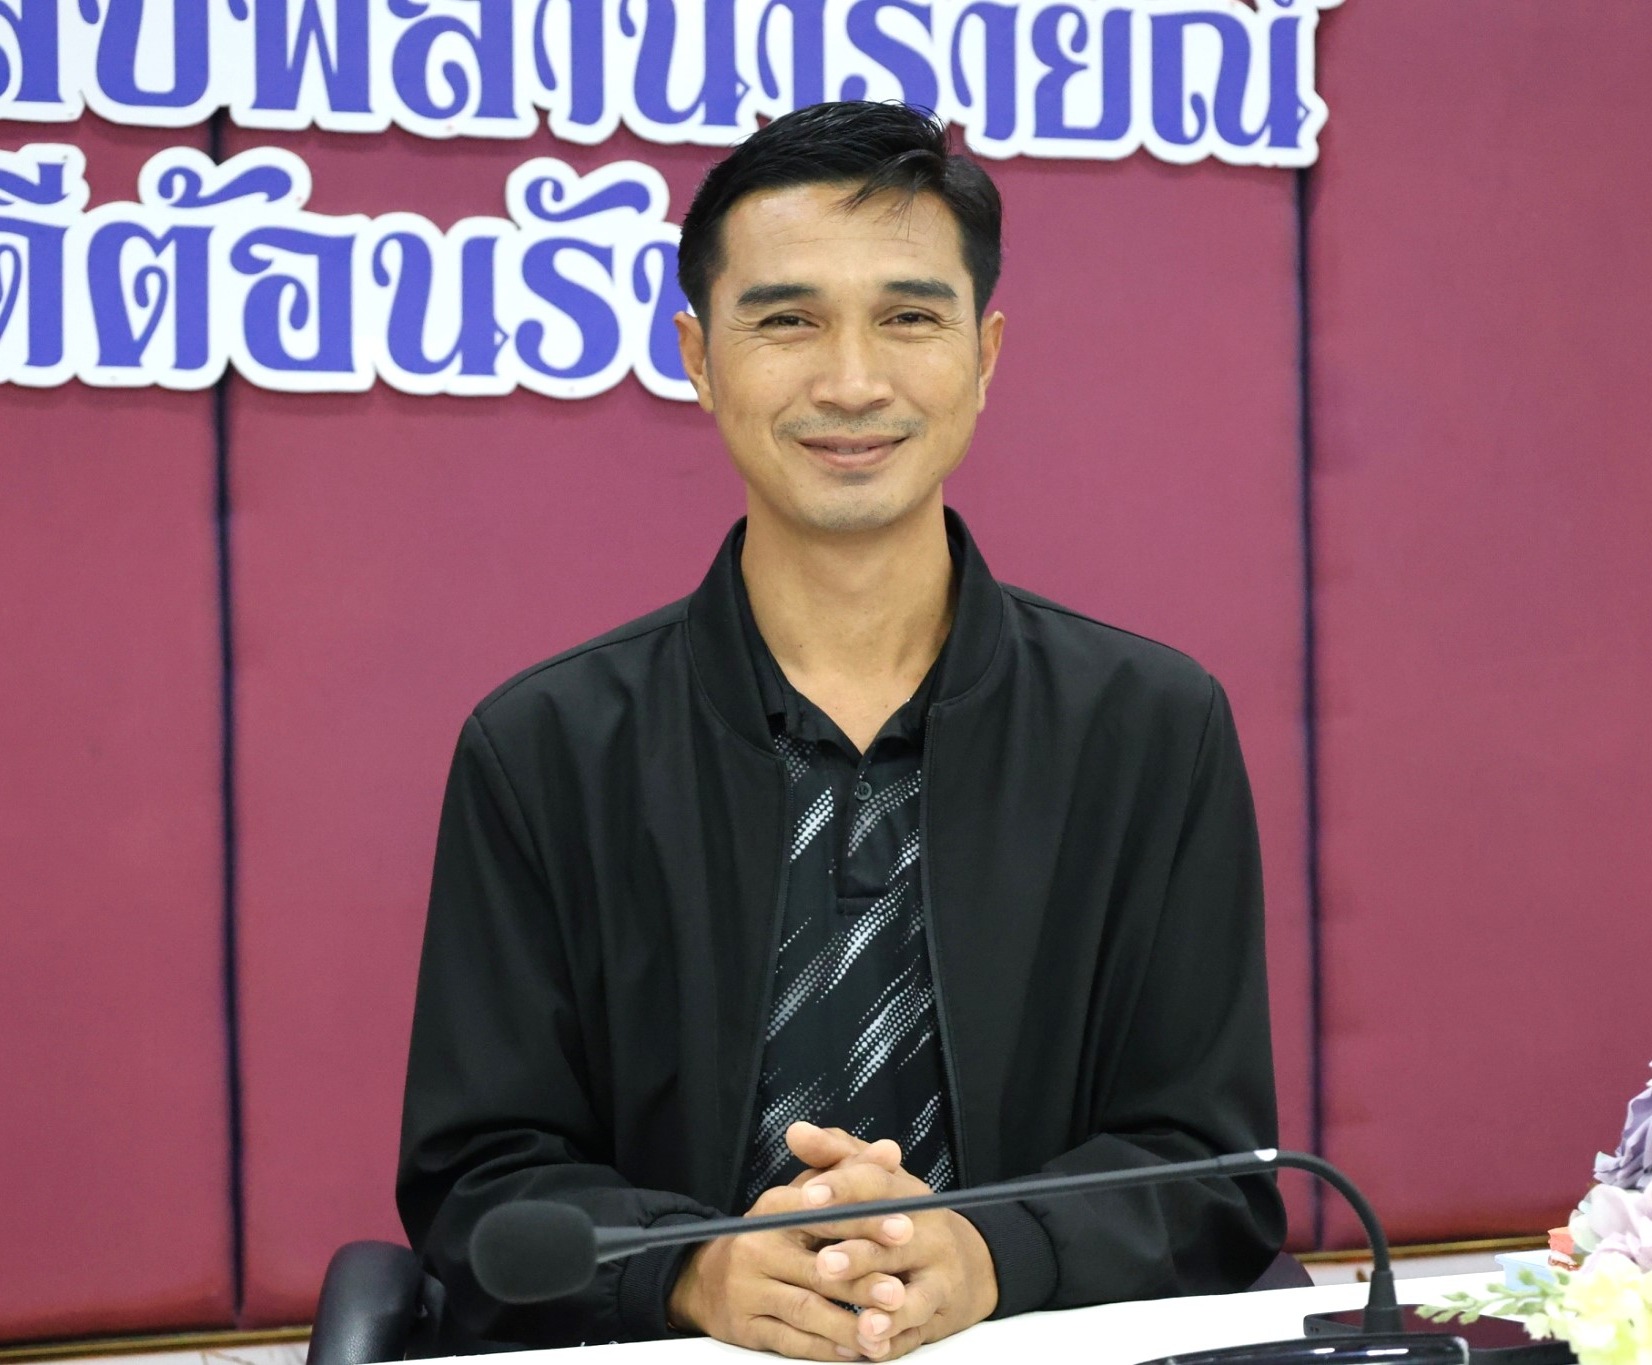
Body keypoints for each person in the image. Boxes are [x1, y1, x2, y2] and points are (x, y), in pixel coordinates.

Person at [397, 100, 1285, 1362]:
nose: (852, 381)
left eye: (909, 318)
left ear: (983, 355)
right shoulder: (546, 749)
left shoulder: (1147, 729)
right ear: (699, 357)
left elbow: (1209, 1168)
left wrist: (990, 1253)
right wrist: (691, 1271)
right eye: (787, 321)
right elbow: (478, 1182)